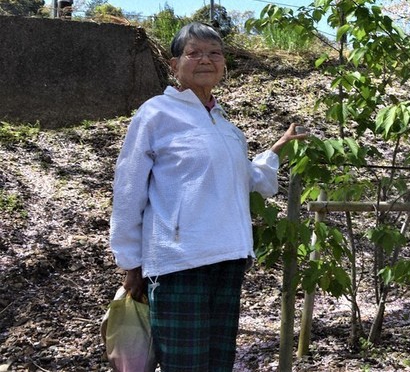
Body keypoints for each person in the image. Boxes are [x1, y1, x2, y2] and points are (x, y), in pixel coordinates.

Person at [110, 22, 306, 371]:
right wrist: (130, 262)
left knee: (218, 363)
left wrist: (278, 148)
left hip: (228, 259)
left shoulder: (226, 127)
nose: (206, 60)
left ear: (224, 64)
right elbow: (128, 189)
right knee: (185, 364)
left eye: (214, 53)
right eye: (194, 52)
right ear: (174, 65)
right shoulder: (156, 114)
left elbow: (251, 179)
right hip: (179, 264)